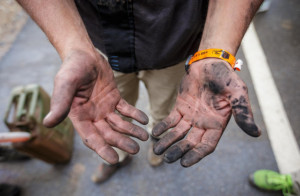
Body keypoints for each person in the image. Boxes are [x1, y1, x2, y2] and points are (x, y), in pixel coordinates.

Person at [17, 0, 263, 183]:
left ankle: (159, 140)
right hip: (100, 55)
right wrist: (73, 46)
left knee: (168, 110)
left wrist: (215, 50)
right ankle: (118, 157)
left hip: (173, 48)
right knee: (111, 117)